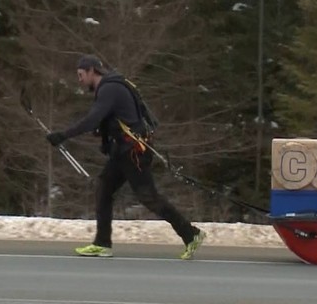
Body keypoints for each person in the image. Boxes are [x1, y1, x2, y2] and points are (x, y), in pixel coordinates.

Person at [45, 55, 205, 259]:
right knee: (103, 188)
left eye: (81, 74)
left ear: (92, 71)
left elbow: (92, 119)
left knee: (149, 197)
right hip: (123, 151)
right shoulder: (111, 87)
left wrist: (63, 135)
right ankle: (102, 243)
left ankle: (191, 234)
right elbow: (105, 120)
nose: (79, 79)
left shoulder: (109, 89)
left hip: (133, 152)